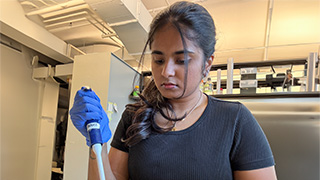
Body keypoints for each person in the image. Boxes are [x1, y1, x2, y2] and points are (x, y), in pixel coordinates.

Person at [70, 1, 277, 180]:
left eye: (182, 60)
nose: (166, 71)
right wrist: (96, 141)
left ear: (207, 63)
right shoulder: (134, 117)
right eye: (158, 60)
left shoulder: (234, 120)